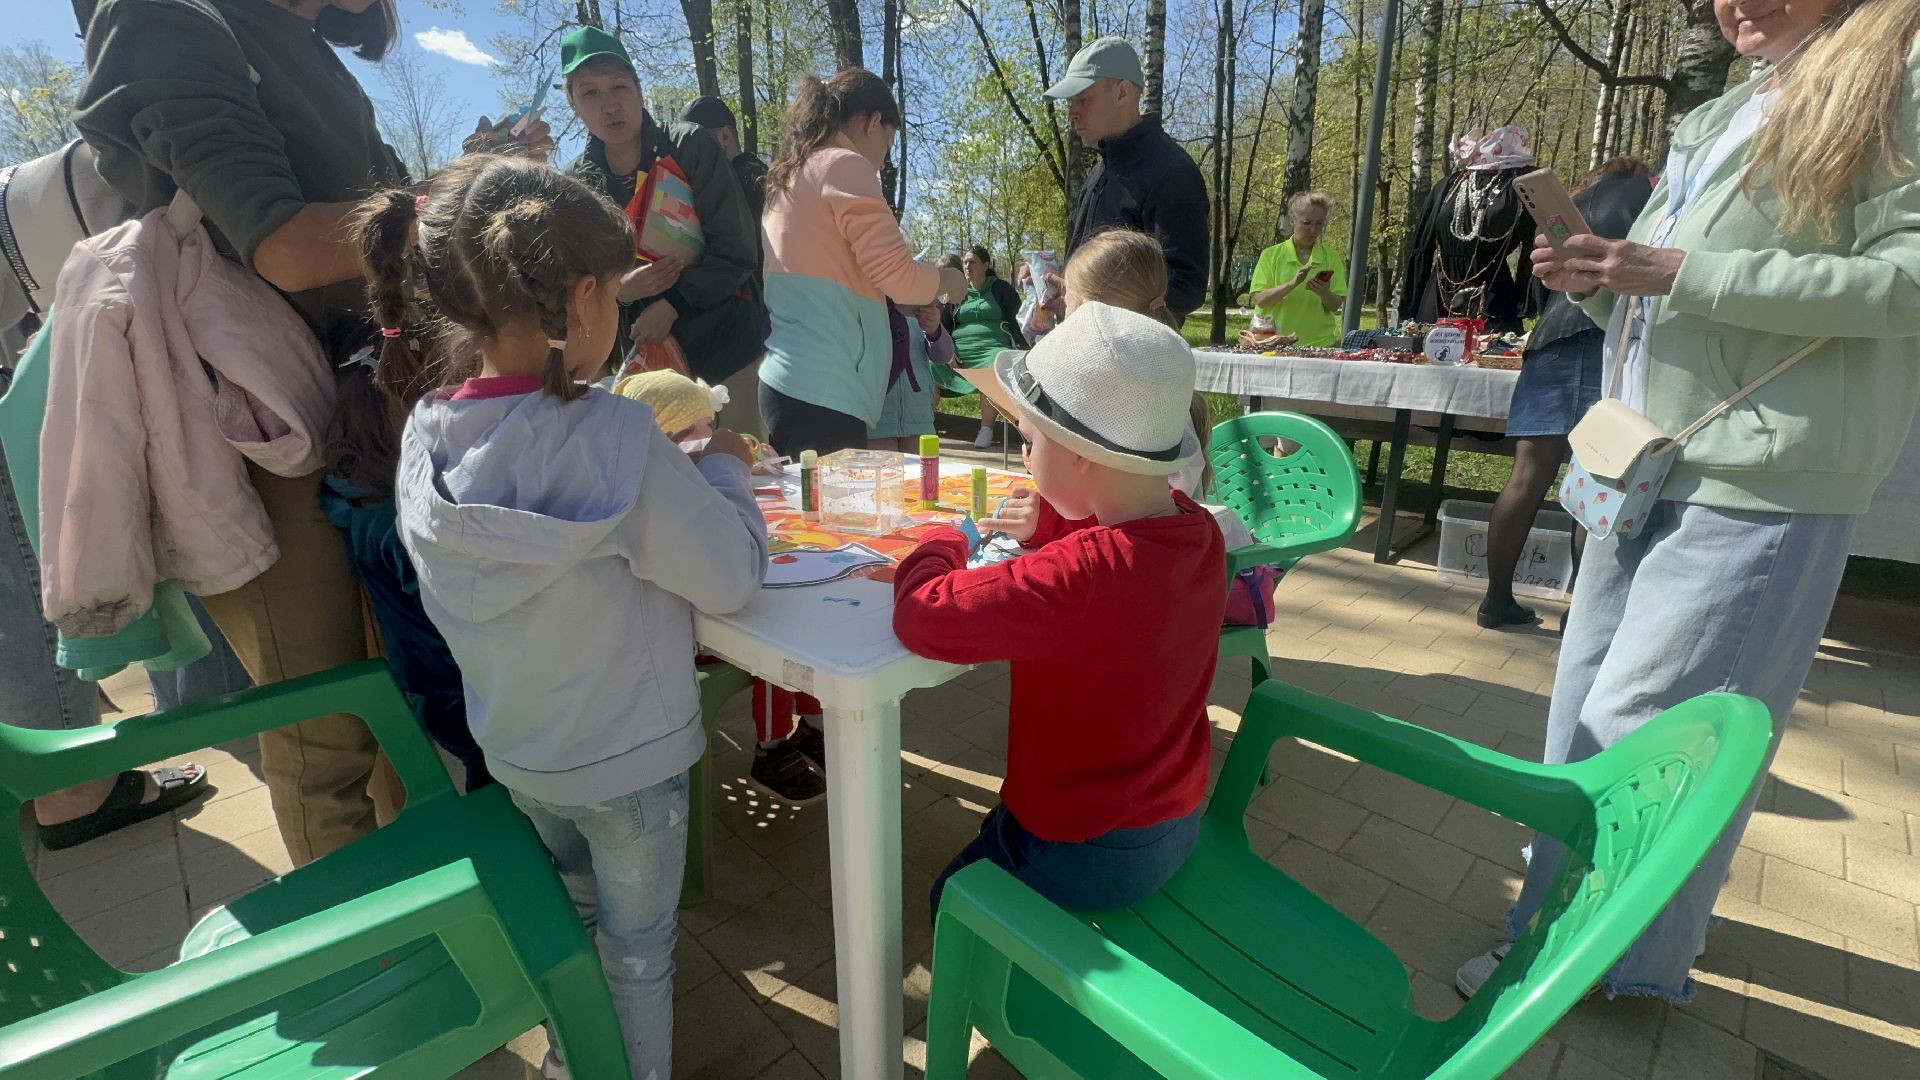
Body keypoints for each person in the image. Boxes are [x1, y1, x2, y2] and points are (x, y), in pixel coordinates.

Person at [1455, 0, 1920, 1004]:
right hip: (1649, 455)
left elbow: (1907, 278)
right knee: (1583, 715)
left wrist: (1681, 272)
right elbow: (1675, 300)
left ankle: (1590, 964)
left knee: (1647, 735)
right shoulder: (1741, 101)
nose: (1735, 2)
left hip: (1760, 471)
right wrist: (1596, 281)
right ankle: (1569, 931)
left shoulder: (1900, 72)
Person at [73, 0, 544, 865]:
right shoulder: (165, 18)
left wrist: (468, 177)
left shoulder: (313, 53)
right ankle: (371, 969)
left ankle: (425, 912)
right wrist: (470, 195)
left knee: (396, 694)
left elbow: (394, 225)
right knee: (325, 733)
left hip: (346, 413)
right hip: (247, 425)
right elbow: (284, 247)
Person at [368, 155, 769, 1079]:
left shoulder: (426, 428)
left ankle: (574, 1056)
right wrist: (724, 467)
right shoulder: (619, 438)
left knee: (575, 914)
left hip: (519, 751)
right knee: (639, 954)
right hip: (631, 764)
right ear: (584, 297)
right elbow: (731, 576)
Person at [897, 302, 1224, 917]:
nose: (1024, 458)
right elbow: (1113, 561)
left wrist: (939, 542)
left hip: (1087, 848)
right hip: (1173, 822)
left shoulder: (1078, 574)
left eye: (1026, 441)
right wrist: (1048, 518)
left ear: (1079, 454)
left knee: (949, 904)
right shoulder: (1199, 532)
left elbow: (923, 613)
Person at [560, 27, 767, 439]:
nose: (610, 105)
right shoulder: (578, 185)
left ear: (638, 88)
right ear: (573, 104)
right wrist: (620, 291)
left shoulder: (689, 146)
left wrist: (673, 301)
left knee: (746, 480)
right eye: (591, 93)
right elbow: (575, 288)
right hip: (644, 376)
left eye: (619, 86)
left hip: (727, 352)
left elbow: (738, 249)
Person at [1477, 159, 1652, 630]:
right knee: (1597, 476)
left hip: (1549, 343)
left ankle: (1495, 601)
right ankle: (1584, 615)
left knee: (1525, 477)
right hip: (1602, 339)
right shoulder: (1651, 201)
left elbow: (1541, 282)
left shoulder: (1566, 205)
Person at [758, 67, 968, 458]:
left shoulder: (793, 174)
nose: (884, 162)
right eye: (888, 144)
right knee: (838, 519)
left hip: (791, 383)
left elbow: (842, 281)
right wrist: (949, 280)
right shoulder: (843, 165)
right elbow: (899, 276)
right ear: (874, 122)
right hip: (826, 393)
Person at [1038, 37, 1208, 323]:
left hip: (1136, 360)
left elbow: (1186, 286)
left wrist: (1090, 302)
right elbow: (1098, 278)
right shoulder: (1099, 173)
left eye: (1083, 99)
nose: (1072, 114)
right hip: (1088, 350)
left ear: (1123, 93)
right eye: (1070, 103)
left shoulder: (1171, 171)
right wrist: (1066, 293)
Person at [933, 246, 1028, 449]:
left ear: (986, 265)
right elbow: (944, 327)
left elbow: (1020, 319)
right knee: (932, 366)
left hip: (991, 348)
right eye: (965, 262)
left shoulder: (1000, 289)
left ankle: (986, 429)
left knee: (993, 366)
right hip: (959, 352)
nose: (967, 266)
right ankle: (926, 423)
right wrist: (948, 352)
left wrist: (1023, 347)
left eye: (973, 261)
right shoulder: (958, 292)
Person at [1247, 192, 1347, 348]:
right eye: (1306, 223)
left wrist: (1324, 292)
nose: (1313, 230)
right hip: (1274, 343)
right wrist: (1292, 284)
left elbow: (1335, 305)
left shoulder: (1331, 257)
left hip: (1319, 345)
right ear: (1293, 220)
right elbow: (1261, 299)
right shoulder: (1271, 255)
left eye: (1319, 223)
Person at [869, 301, 951, 453]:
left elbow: (944, 356)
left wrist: (935, 330)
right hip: (876, 425)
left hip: (920, 422)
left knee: (922, 476)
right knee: (884, 476)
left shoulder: (915, 309)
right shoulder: (866, 307)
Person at [680, 95, 769, 223]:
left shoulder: (750, 183)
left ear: (725, 136)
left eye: (696, 142)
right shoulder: (759, 175)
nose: (689, 154)